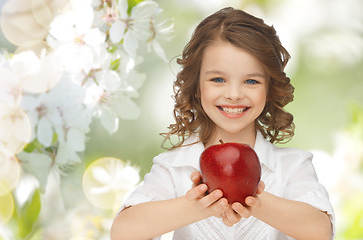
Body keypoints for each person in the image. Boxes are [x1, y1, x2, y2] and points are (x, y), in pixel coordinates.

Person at [110, 7, 334, 240]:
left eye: (251, 80)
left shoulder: (291, 166)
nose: (234, 94)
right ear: (197, 86)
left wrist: (255, 199)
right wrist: (196, 205)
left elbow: (319, 231)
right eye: (218, 79)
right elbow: (123, 232)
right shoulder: (175, 167)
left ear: (269, 89)